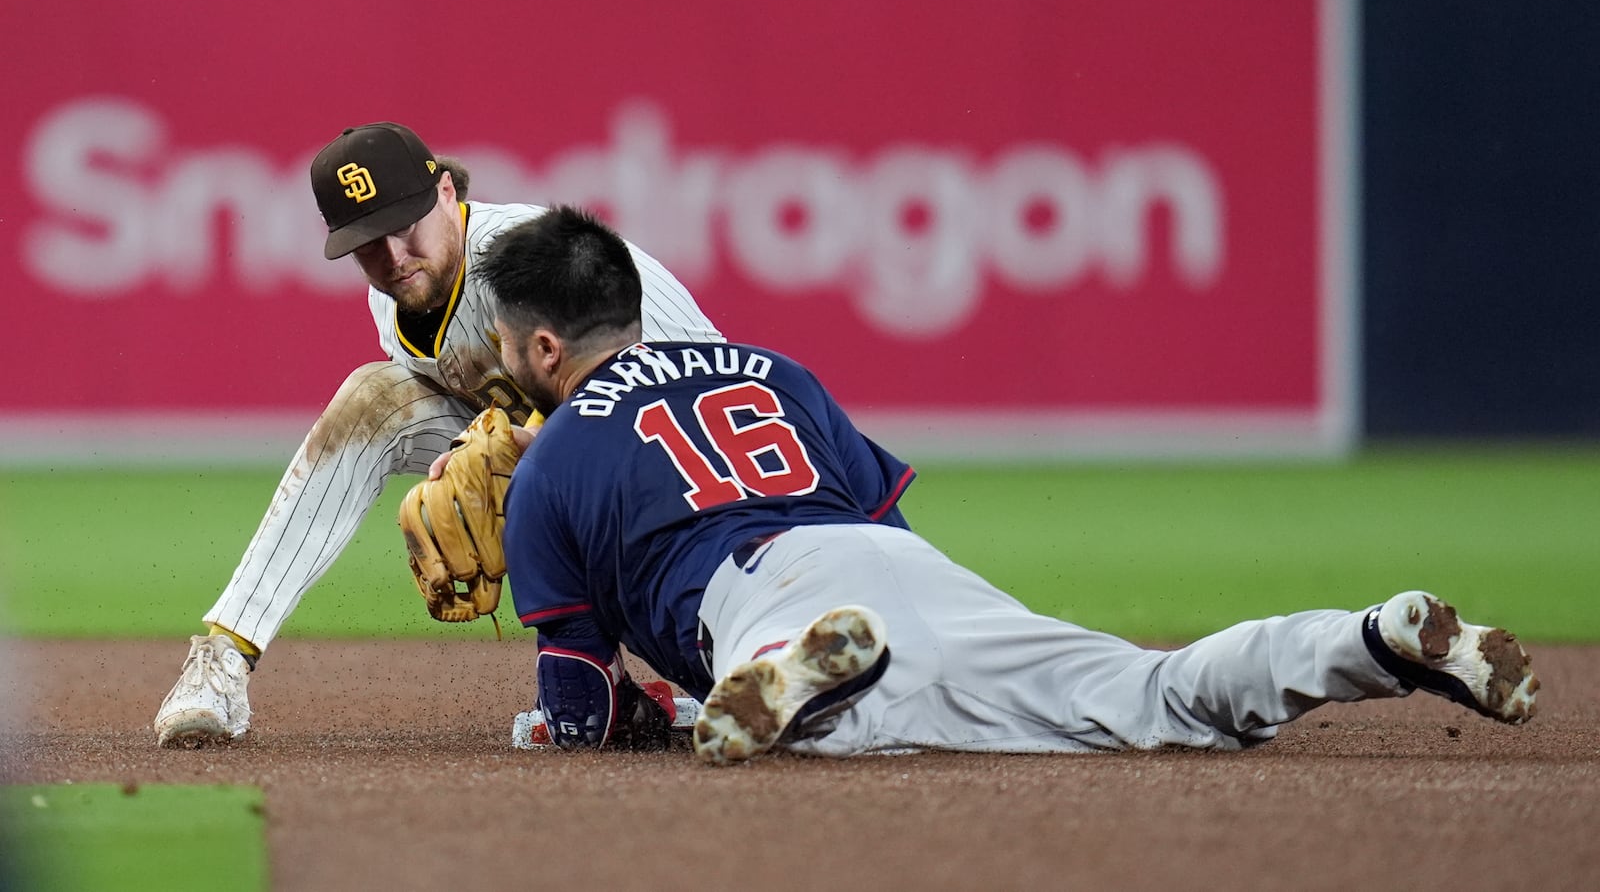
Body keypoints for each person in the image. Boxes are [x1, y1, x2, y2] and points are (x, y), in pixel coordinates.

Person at [480, 205, 1540, 763]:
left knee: (827, 721)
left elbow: (574, 708)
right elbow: (881, 521)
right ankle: (1366, 638)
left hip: (757, 593)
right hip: (897, 564)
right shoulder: (772, 368)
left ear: (539, 345)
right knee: (1152, 695)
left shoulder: (552, 459)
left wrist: (589, 718)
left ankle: (792, 674)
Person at [153, 123, 724, 748]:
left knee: (542, 471)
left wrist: (525, 452)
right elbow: (494, 417)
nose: (394, 256)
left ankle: (704, 669)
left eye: (406, 225)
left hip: (693, 454)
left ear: (446, 193)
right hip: (587, 450)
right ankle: (223, 658)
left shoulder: (533, 263)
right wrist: (474, 459)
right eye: (369, 242)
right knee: (373, 399)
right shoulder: (395, 300)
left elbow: (653, 387)